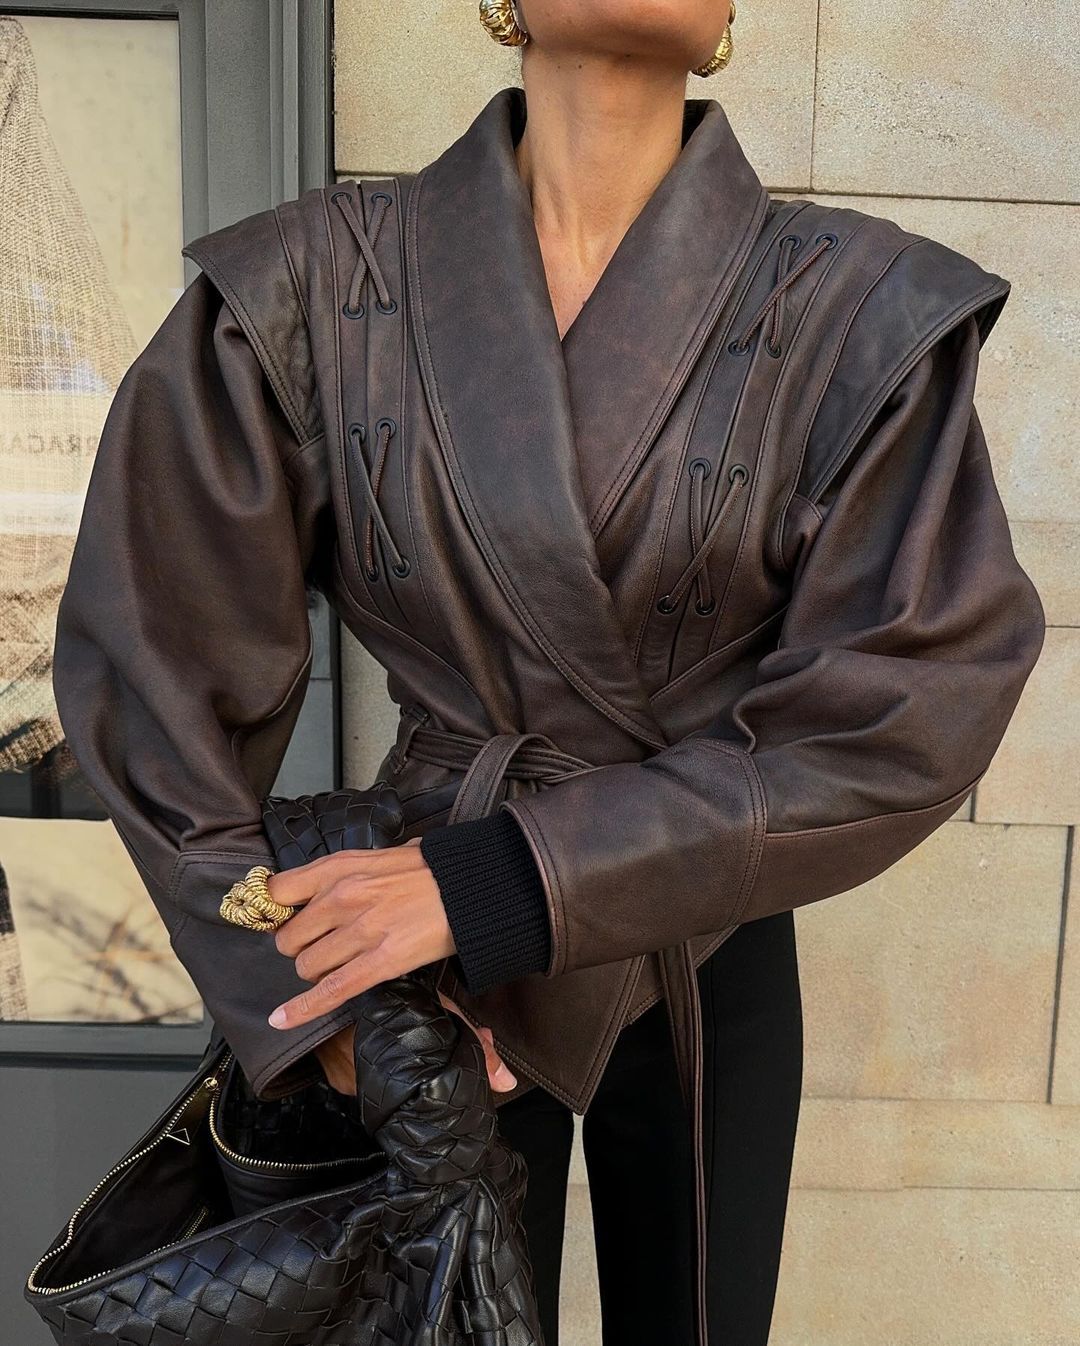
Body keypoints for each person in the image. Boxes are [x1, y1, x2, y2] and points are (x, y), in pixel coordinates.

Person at [51, 2, 1046, 1343]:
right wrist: (308, 998)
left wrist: (508, 879)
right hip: (416, 972)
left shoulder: (862, 313)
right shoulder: (304, 287)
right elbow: (149, 667)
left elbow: (913, 699)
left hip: (707, 931)